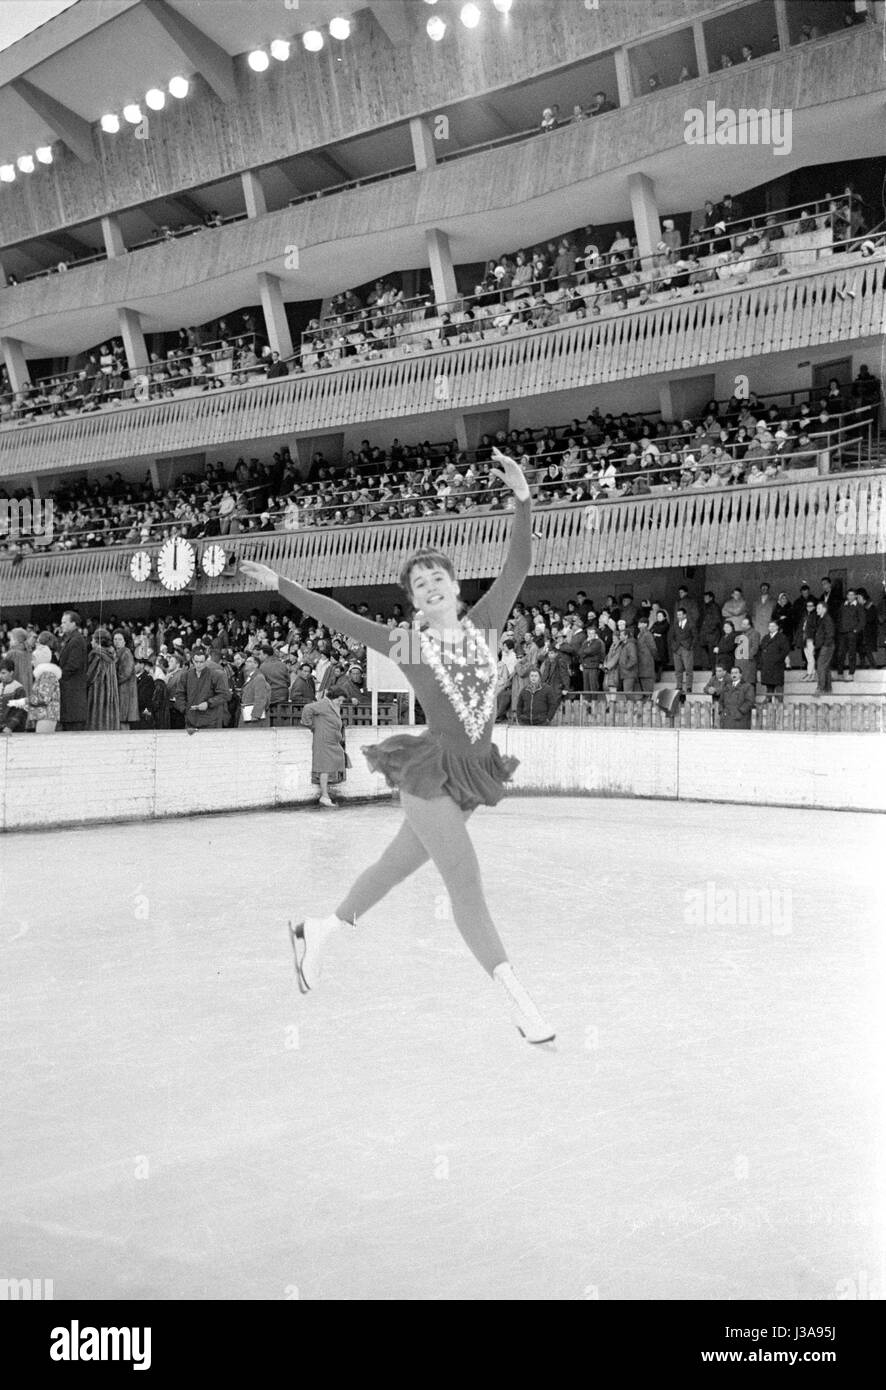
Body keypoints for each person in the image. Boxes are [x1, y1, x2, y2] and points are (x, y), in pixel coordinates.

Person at [239, 448, 555, 1044]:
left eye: (438, 578)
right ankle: (519, 1002)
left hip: (470, 775)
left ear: (456, 588)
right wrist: (282, 584)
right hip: (429, 776)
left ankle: (316, 931)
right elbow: (337, 616)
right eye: (419, 584)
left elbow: (516, 567)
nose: (430, 586)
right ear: (414, 602)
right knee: (467, 886)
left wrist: (522, 500)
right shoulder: (409, 646)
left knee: (389, 869)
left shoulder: (486, 625)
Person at [300, 691, 348, 804]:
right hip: (324, 739)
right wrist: (310, 725)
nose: (340, 703)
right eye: (339, 700)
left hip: (331, 739)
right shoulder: (324, 704)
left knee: (329, 765)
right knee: (324, 767)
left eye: (342, 701)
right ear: (332, 698)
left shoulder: (333, 705)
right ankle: (325, 795)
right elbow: (307, 708)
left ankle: (325, 794)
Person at [184, 646, 230, 731]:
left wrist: (208, 704)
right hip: (194, 719)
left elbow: (224, 695)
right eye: (196, 662)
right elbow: (180, 693)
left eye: (201, 662)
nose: (198, 664)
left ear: (206, 661)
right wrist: (184, 708)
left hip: (209, 719)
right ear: (193, 661)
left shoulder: (216, 674)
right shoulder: (187, 675)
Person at [58, 609, 88, 731]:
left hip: (73, 693)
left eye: (65, 622)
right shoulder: (73, 639)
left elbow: (73, 665)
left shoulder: (76, 640)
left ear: (74, 623)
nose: (62, 625)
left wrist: (58, 675)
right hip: (70, 692)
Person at [86, 628, 121, 731]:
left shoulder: (97, 655)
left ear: (98, 641)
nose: (91, 642)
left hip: (98, 697)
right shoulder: (111, 655)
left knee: (97, 727)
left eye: (93, 640)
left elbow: (90, 677)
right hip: (110, 697)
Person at [29, 635, 62, 733]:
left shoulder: (47, 675)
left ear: (40, 659)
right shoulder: (44, 675)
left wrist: (25, 702)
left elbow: (44, 698)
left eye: (34, 658)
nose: (32, 662)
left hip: (47, 715)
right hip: (44, 715)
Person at [113, 630, 139, 730]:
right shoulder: (117, 652)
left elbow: (125, 673)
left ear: (124, 641)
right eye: (115, 639)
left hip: (125, 691)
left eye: (120, 639)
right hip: (122, 690)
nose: (117, 641)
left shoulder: (126, 652)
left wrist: (114, 681)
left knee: (123, 720)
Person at [758, 620, 790, 697]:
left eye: (773, 626)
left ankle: (780, 704)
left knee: (778, 686)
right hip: (767, 665)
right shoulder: (766, 637)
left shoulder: (782, 637)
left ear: (777, 627)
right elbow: (761, 649)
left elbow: (785, 650)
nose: (771, 628)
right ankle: (768, 702)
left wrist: (777, 659)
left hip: (777, 665)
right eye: (770, 626)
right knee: (769, 686)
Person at [238, 654, 271, 726]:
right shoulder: (251, 677)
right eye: (246, 661)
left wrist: (256, 715)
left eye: (249, 661)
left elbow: (261, 697)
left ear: (256, 664)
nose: (246, 663)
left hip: (253, 718)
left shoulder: (259, 678)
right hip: (248, 714)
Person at [670, 605, 696, 695]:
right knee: (678, 669)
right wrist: (674, 647)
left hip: (686, 648)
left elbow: (695, 636)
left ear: (685, 615)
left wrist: (690, 646)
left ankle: (688, 687)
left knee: (688, 669)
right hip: (677, 648)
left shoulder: (691, 624)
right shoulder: (675, 624)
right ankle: (679, 686)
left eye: (680, 615)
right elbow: (672, 636)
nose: (679, 617)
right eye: (678, 615)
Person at [0, 658, 29, 734]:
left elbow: (20, 711)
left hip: (14, 729)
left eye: (3, 673)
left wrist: (10, 726)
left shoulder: (18, 688)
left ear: (11, 672)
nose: (0, 676)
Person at [813, 600, 836, 695]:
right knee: (825, 667)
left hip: (827, 646)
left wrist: (825, 645)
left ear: (824, 609)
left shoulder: (827, 619)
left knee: (820, 666)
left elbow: (830, 634)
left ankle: (820, 688)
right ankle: (827, 688)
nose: (817, 610)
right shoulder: (822, 619)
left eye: (819, 608)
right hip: (824, 645)